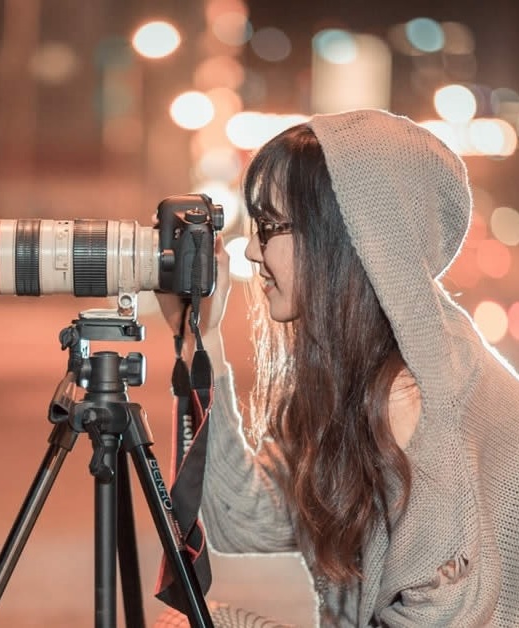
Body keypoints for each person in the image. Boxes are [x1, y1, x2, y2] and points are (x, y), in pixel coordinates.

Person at [157, 108, 519, 626]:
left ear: (345, 240)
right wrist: (203, 339)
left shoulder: (414, 399)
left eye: (269, 226)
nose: (253, 252)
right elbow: (245, 520)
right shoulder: (353, 374)